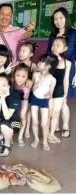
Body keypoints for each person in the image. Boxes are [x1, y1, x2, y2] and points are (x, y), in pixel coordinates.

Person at [47, 7, 76, 138]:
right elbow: (48, 53)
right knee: (53, 98)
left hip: (68, 70)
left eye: (61, 18)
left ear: (66, 18)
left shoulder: (73, 34)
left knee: (63, 99)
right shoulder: (52, 36)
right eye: (55, 19)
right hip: (53, 70)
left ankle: (65, 126)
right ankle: (55, 125)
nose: (58, 21)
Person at [0, 73, 22, 157]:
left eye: (4, 85)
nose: (1, 88)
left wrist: (3, 99)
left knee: (4, 124)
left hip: (13, 122)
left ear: (9, 86)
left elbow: (7, 116)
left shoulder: (15, 95)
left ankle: (7, 145)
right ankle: (2, 135)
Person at [30, 53, 58, 151]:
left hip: (44, 102)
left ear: (48, 66)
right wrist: (33, 87)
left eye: (41, 62)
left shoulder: (52, 79)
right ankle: (36, 139)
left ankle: (45, 141)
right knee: (35, 120)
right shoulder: (35, 75)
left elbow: (51, 94)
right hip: (34, 99)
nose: (38, 63)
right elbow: (32, 89)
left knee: (44, 123)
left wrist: (49, 95)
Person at [48, 37, 71, 143]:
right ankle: (47, 133)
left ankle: (52, 134)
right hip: (49, 89)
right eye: (53, 45)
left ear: (64, 48)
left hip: (59, 89)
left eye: (58, 45)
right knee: (50, 112)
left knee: (56, 112)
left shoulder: (68, 63)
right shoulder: (48, 60)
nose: (54, 48)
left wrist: (65, 93)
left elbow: (66, 79)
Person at [12, 63, 33, 147]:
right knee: (11, 115)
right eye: (18, 75)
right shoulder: (11, 80)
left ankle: (20, 137)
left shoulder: (29, 82)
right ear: (14, 74)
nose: (20, 79)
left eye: (23, 76)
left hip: (23, 98)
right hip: (13, 97)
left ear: (27, 77)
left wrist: (27, 93)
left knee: (22, 115)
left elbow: (25, 98)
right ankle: (10, 135)